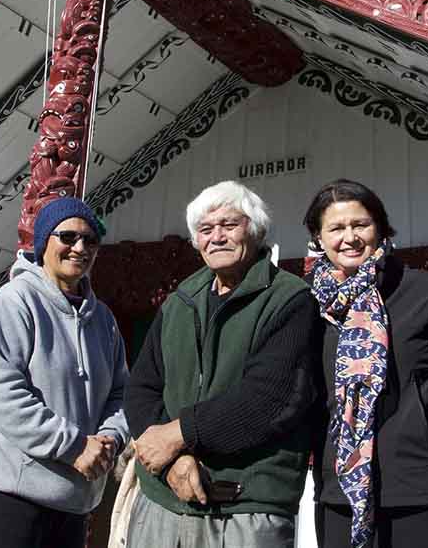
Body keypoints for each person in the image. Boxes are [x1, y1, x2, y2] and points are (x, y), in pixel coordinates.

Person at [124, 180, 321, 548]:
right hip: (163, 498)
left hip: (244, 506)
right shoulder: (179, 301)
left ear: (256, 230)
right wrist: (172, 462)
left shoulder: (291, 299)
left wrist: (177, 434)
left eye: (230, 225)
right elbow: (142, 387)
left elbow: (270, 398)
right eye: (205, 229)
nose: (217, 237)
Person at [304, 180, 428, 548]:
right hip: (339, 489)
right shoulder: (309, 304)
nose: (350, 237)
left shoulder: (421, 289)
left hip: (422, 486)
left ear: (380, 227)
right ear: (318, 236)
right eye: (337, 228)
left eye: (360, 225)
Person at [0, 197, 130, 548]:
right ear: (43, 244)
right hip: (9, 498)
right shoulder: (14, 301)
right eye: (67, 237)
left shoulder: (104, 321)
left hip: (74, 503)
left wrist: (109, 441)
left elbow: (121, 395)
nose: (79, 248)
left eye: (90, 240)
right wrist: (74, 446)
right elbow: (1, 393)